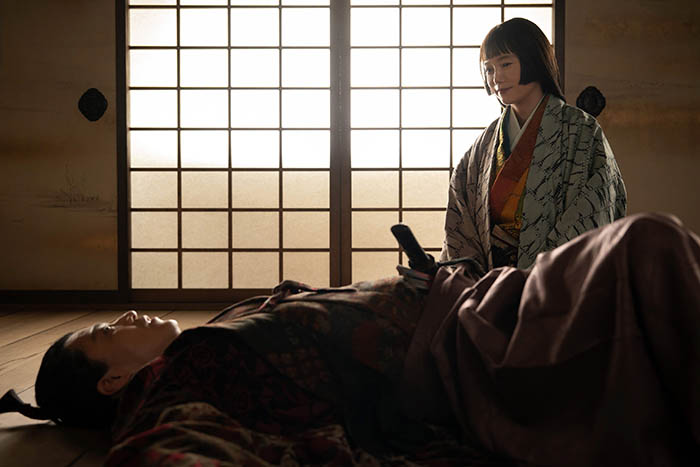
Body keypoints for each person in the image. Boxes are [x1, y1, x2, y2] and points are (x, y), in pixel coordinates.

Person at [2, 213, 699, 467]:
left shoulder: (210, 340)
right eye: (106, 332)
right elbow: (172, 448)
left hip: (468, 299)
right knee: (644, 252)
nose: (125, 315)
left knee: (648, 259)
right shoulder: (180, 383)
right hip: (460, 350)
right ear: (114, 381)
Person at [442, 17, 627, 271]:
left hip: (554, 280)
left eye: (505, 64)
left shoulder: (581, 131)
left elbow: (594, 208)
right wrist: (477, 277)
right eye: (489, 69)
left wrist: (538, 274)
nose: (496, 78)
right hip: (490, 280)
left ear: (534, 60)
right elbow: (461, 219)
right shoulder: (483, 146)